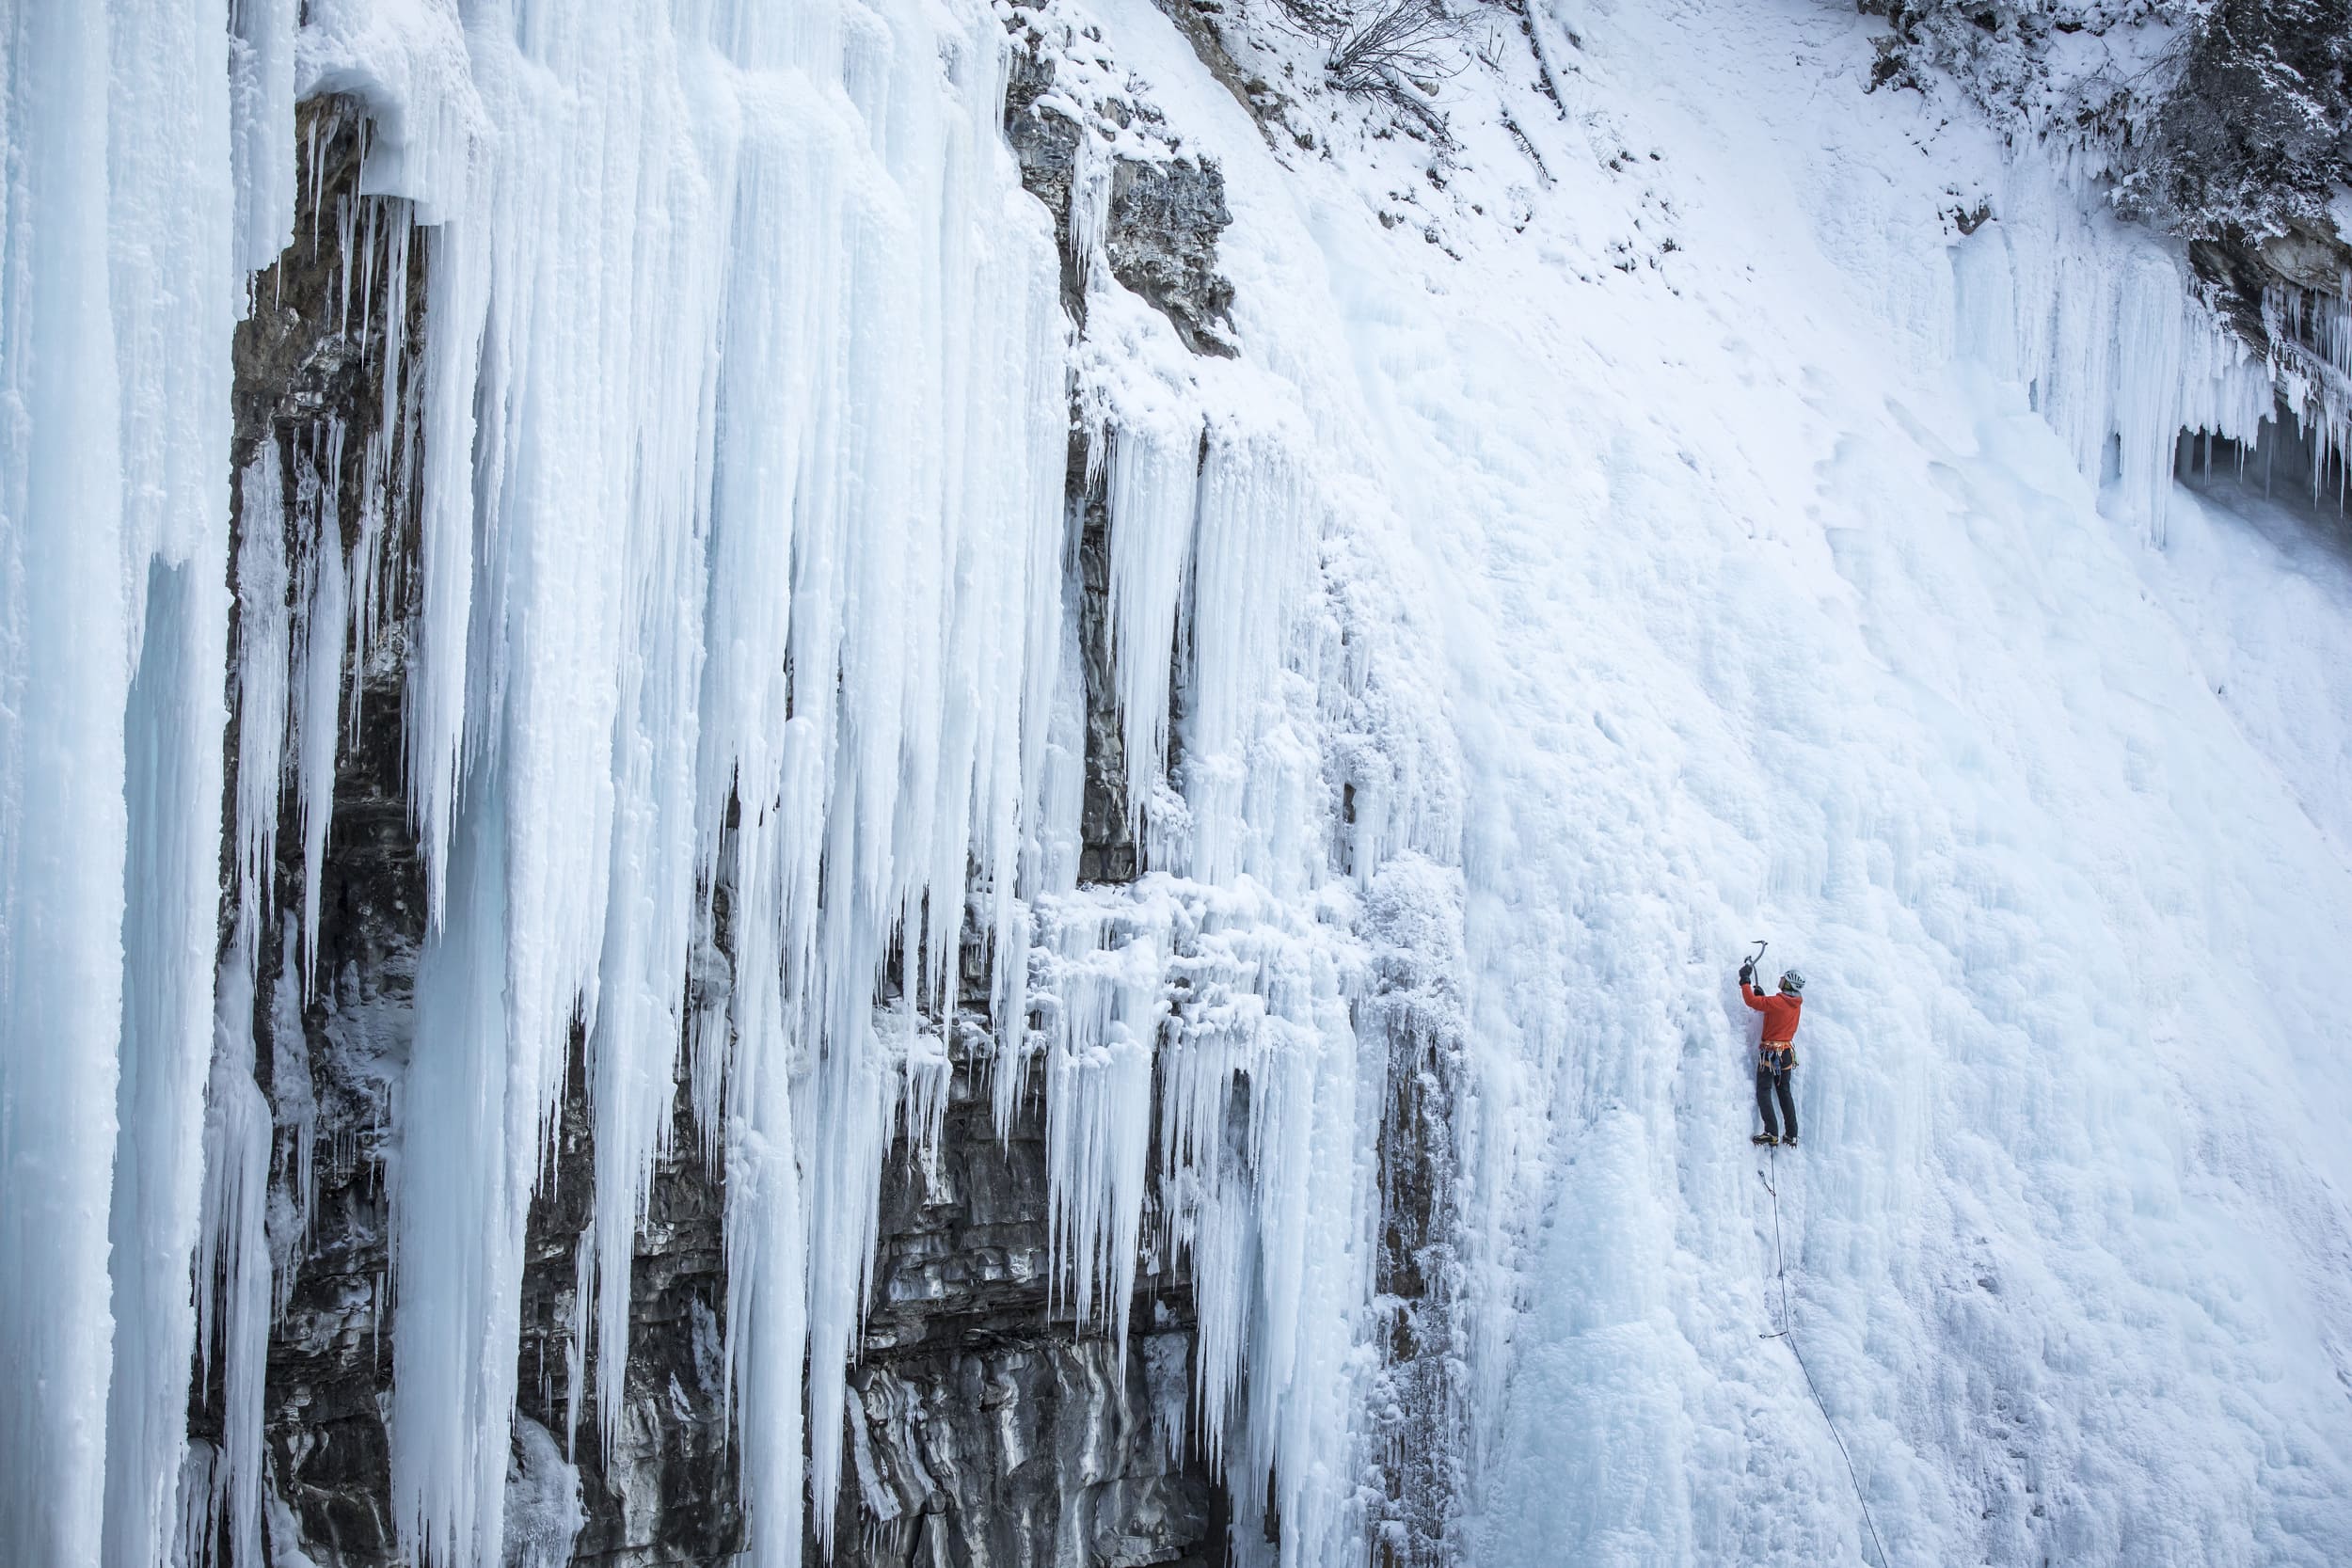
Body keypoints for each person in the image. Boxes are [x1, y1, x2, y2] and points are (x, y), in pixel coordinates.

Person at [1740, 960, 1804, 1147]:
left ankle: (1771, 1132)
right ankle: (1791, 1134)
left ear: (1788, 983)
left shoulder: (1777, 1002)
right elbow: (1773, 1008)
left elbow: (1751, 1002)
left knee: (1764, 1090)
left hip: (1770, 1054)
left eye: (1784, 978)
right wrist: (1764, 998)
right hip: (1786, 1054)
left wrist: (1744, 980)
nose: (1781, 978)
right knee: (1784, 1091)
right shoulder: (1795, 1003)